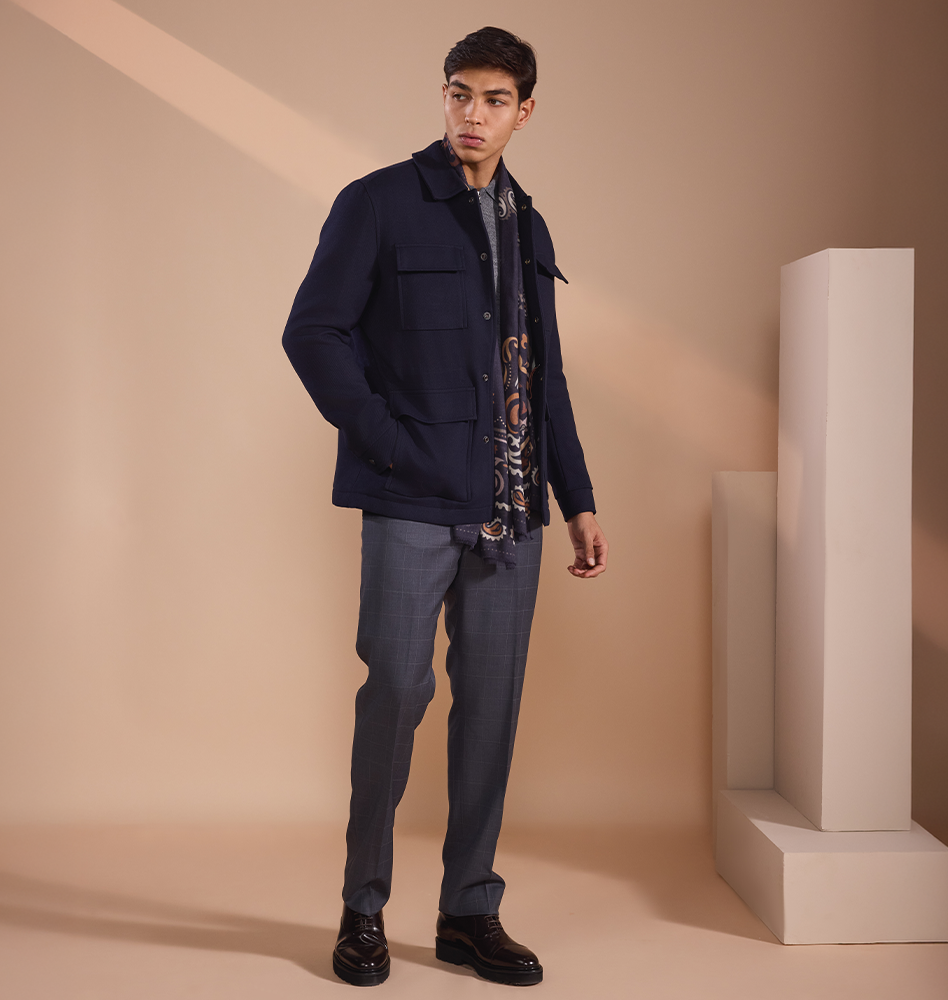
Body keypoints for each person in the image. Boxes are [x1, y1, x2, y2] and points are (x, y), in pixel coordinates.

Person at [282, 25, 608, 987]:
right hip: (409, 502)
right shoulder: (379, 202)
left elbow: (543, 377)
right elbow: (312, 333)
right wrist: (390, 443)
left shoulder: (530, 226)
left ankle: (469, 911)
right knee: (395, 692)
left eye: (495, 100)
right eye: (460, 93)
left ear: (524, 112)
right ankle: (363, 908)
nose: (474, 114)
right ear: (444, 96)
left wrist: (578, 497)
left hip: (513, 511)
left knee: (491, 711)